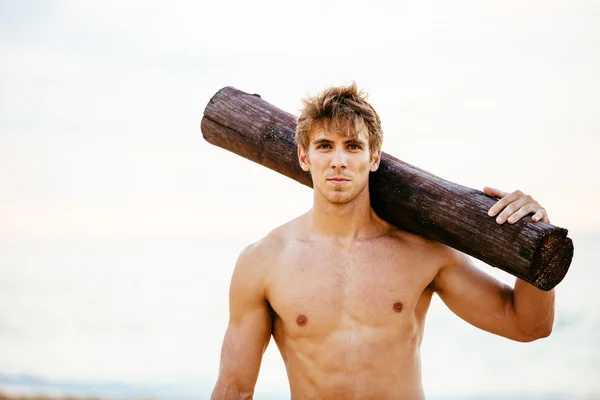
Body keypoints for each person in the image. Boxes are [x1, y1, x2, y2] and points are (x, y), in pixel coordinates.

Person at [210, 83, 554, 400]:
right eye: (325, 146)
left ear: (374, 158)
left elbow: (528, 324)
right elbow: (235, 388)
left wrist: (538, 237)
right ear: (304, 157)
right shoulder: (265, 261)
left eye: (353, 146)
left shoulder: (422, 252)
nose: (339, 161)